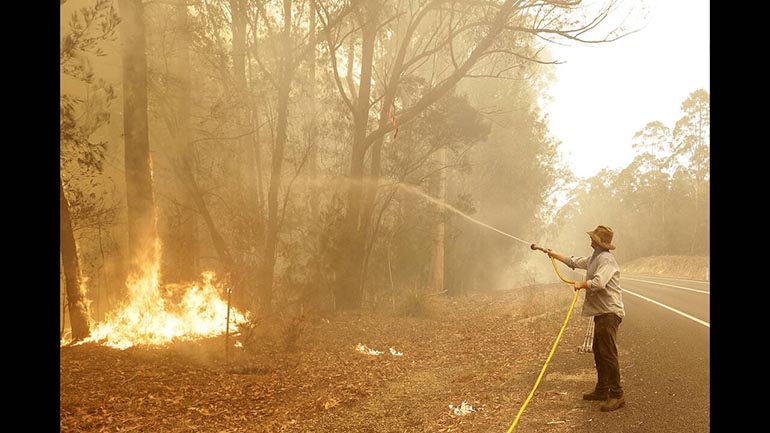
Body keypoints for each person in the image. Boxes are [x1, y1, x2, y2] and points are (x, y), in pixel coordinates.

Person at [546, 225, 626, 412]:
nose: (590, 240)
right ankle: (602, 389)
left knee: (608, 353)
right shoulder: (596, 257)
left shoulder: (606, 260)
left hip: (610, 312)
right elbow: (575, 262)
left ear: (598, 242)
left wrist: (581, 284)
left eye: (593, 238)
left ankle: (617, 394)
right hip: (601, 312)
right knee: (599, 351)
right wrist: (554, 254)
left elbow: (599, 283)